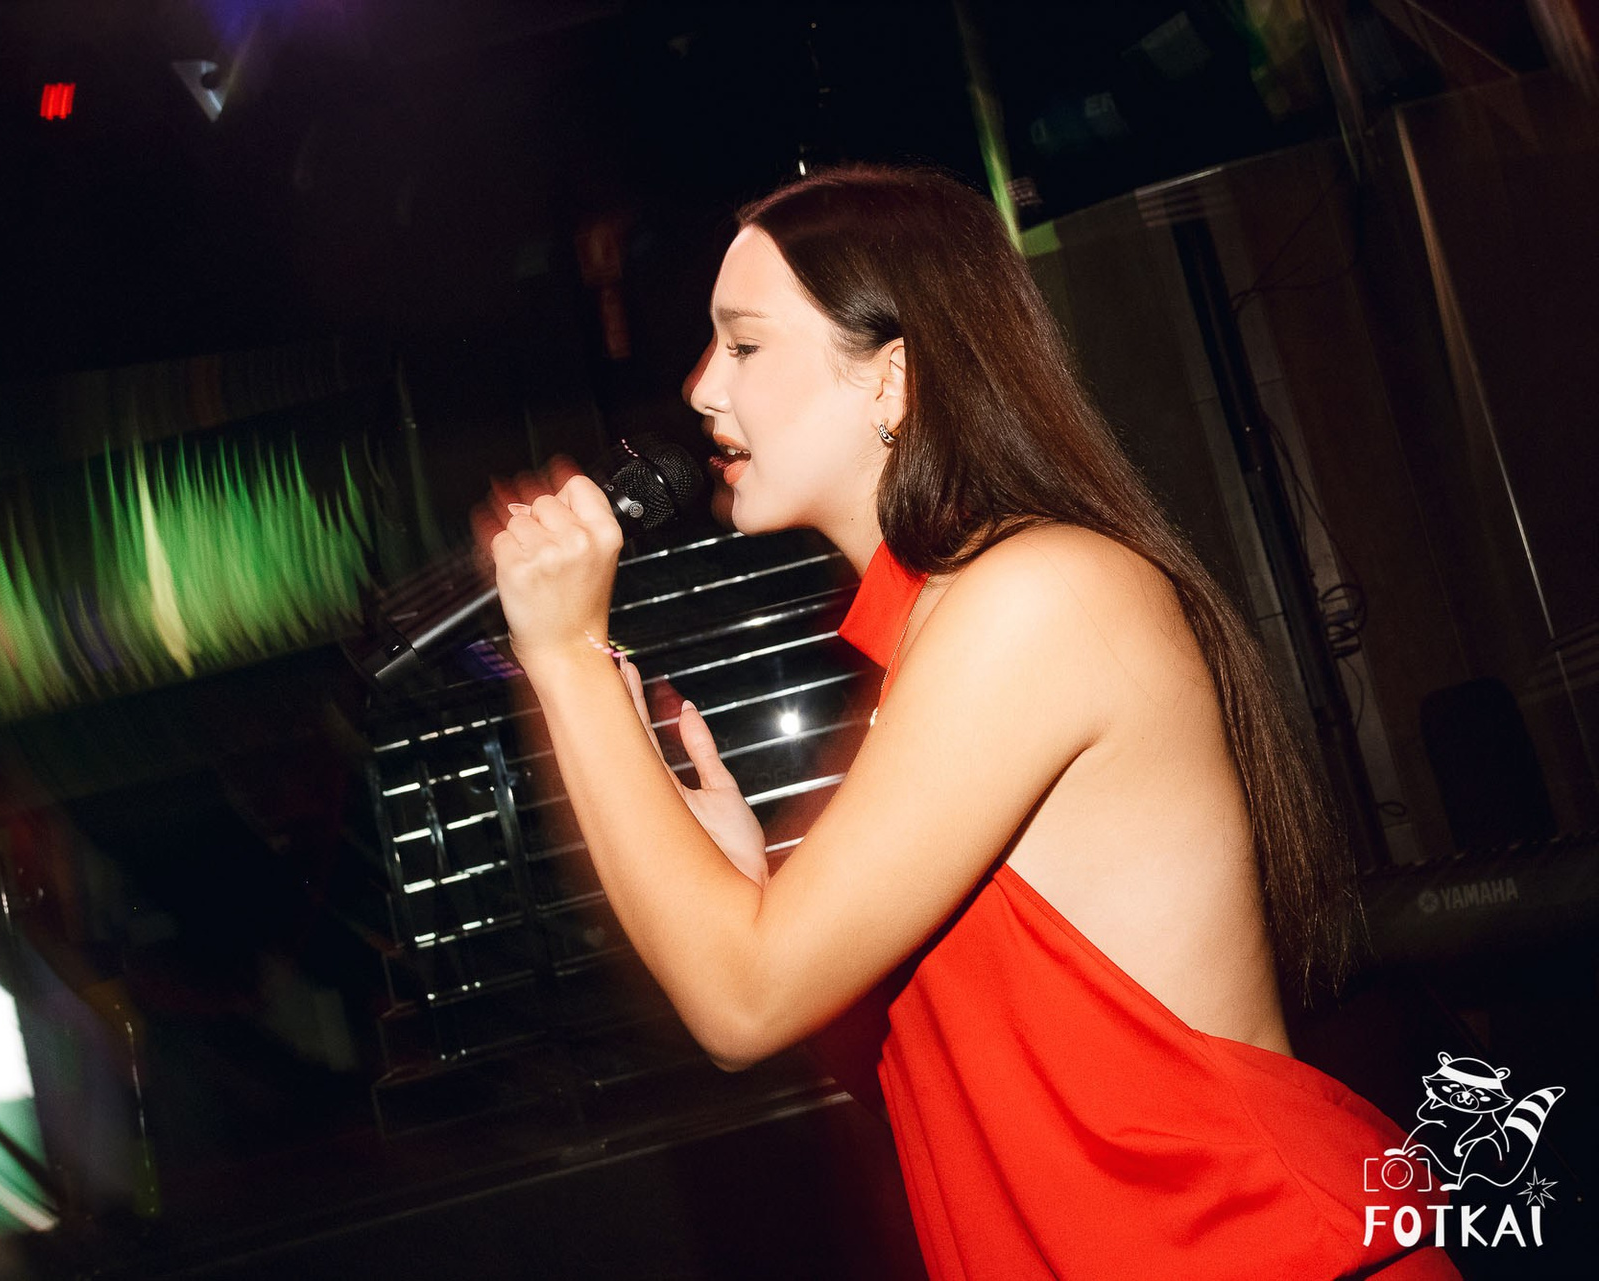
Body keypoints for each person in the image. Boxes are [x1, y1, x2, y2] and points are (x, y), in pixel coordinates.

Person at [475, 165, 1457, 1278]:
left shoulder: (1043, 594)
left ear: (892, 378)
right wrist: (739, 894)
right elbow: (952, 1073)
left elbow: (741, 999)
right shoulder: (922, 647)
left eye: (743, 344)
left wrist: (565, 653)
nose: (701, 387)